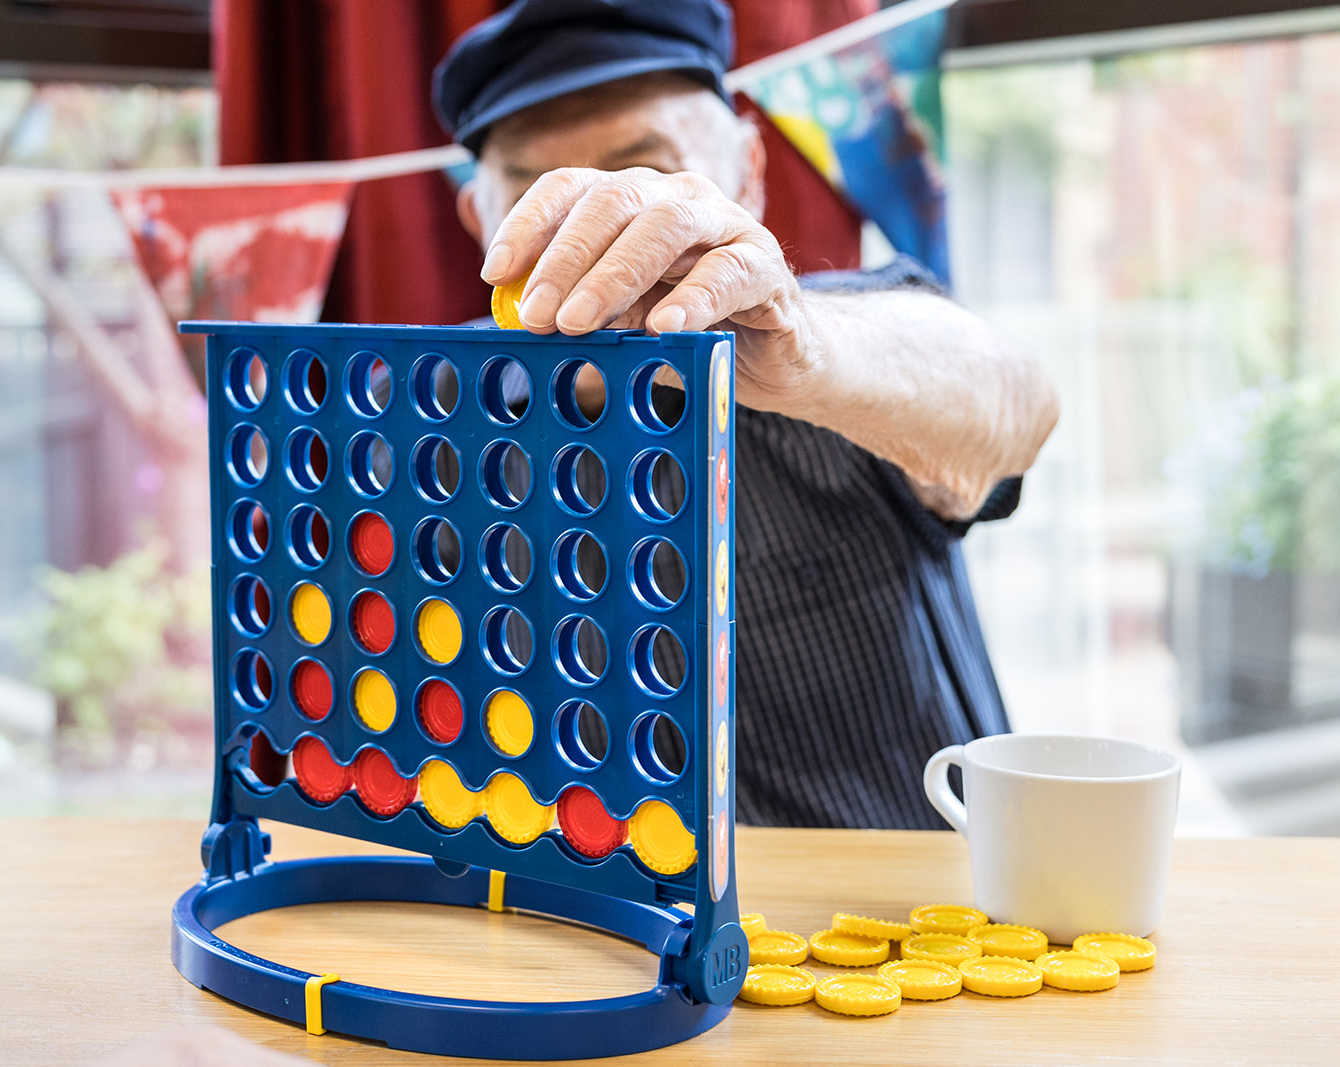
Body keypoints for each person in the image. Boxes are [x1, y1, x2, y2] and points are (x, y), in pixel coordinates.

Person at [433, 0, 1057, 830]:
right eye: (536, 192)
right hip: (584, 904)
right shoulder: (434, 415)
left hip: (901, 897)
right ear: (481, 221)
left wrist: (812, 354)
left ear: (748, 170)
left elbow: (1021, 404)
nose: (597, 229)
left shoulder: (854, 338)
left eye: (646, 173)